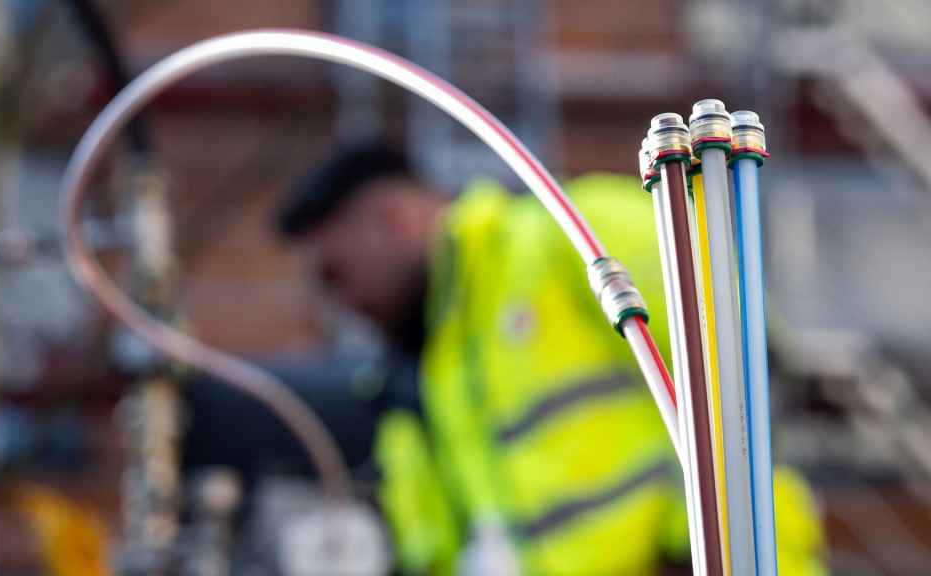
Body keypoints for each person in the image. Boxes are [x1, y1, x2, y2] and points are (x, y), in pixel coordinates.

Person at [276, 143, 826, 575]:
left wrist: (688, 551)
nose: (341, 306)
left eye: (335, 276)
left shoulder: (570, 234)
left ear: (390, 219)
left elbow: (739, 365)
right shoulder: (427, 371)